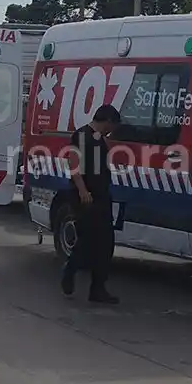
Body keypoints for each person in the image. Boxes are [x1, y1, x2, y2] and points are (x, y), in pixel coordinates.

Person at [61, 104, 121, 304]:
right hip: (86, 198)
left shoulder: (98, 139)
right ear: (107, 120)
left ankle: (98, 288)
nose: (111, 131)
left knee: (105, 244)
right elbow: (73, 164)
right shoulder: (82, 135)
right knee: (88, 241)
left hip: (102, 196)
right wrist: (82, 190)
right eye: (112, 125)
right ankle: (70, 270)